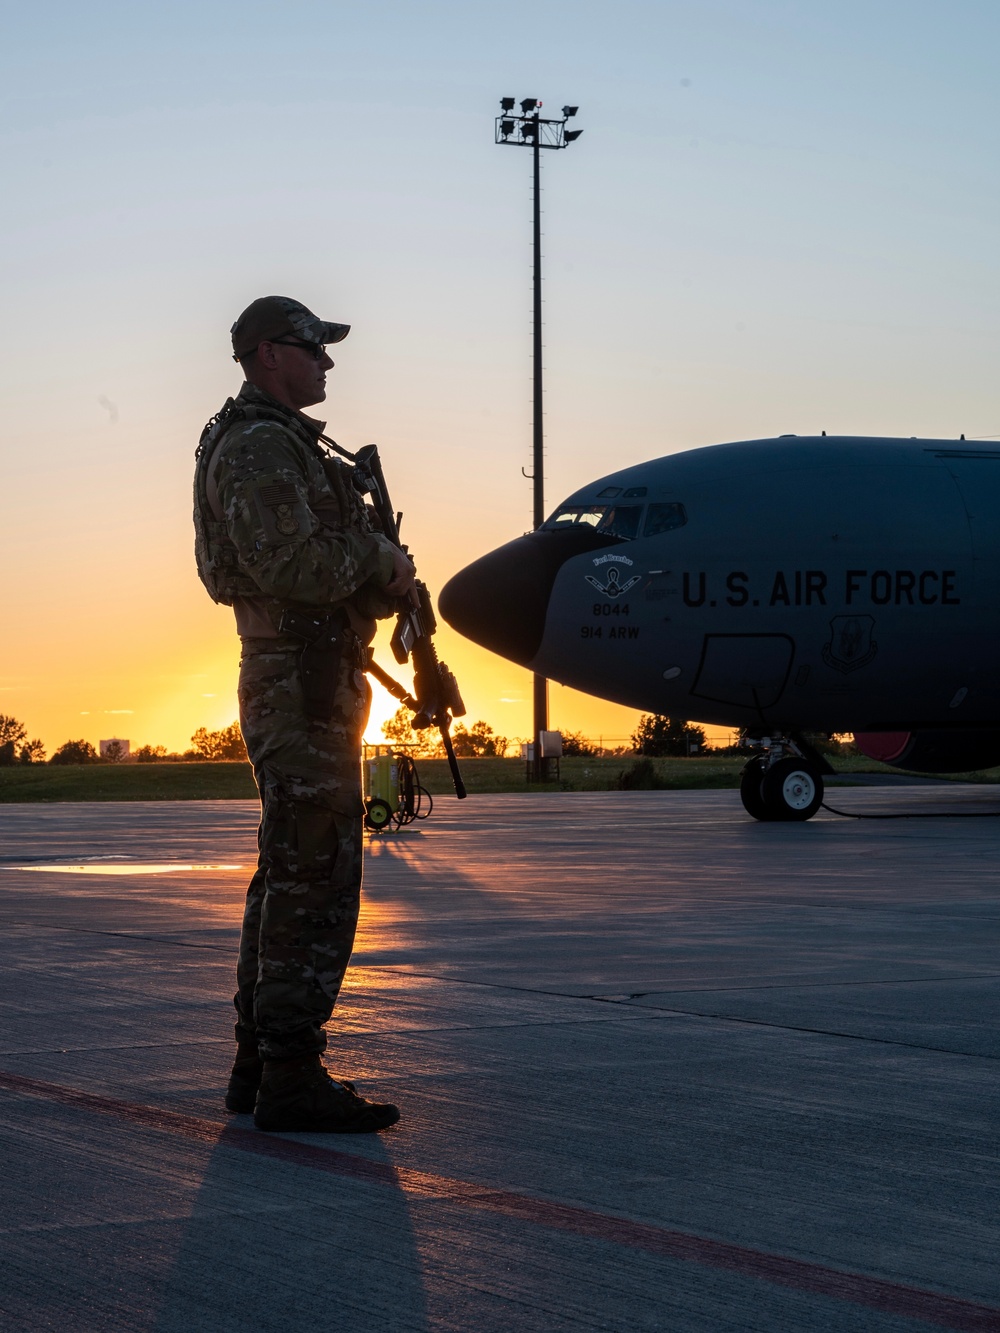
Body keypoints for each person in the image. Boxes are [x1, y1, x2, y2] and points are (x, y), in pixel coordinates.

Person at [193, 295, 415, 1133]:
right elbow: (288, 561)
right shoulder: (258, 446)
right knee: (316, 872)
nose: (325, 362)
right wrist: (379, 558)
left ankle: (263, 1062)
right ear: (263, 353)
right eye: (311, 347)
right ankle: (289, 1071)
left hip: (308, 671)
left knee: (290, 863)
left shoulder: (281, 443)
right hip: (300, 675)